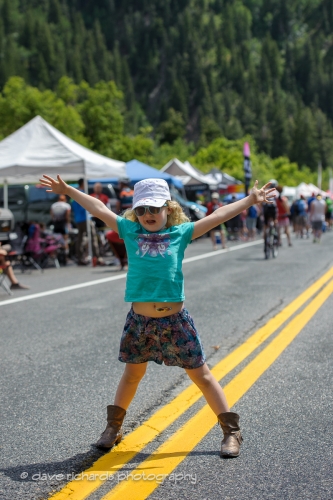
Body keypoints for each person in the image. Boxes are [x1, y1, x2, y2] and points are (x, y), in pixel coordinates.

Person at [39, 173, 275, 459]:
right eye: (141, 209)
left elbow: (220, 214)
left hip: (175, 321)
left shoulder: (181, 232)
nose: (148, 214)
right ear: (134, 212)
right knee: (132, 375)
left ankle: (231, 431)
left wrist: (250, 200)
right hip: (140, 322)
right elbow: (98, 209)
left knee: (201, 375)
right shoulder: (129, 230)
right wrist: (68, 190)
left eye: (154, 208)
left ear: (169, 208)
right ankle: (113, 429)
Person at [71, 178, 102, 266]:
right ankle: (97, 257)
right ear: (82, 184)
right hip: (85, 218)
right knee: (92, 237)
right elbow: (85, 207)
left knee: (80, 239)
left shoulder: (74, 194)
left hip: (78, 219)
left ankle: (80, 258)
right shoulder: (82, 193)